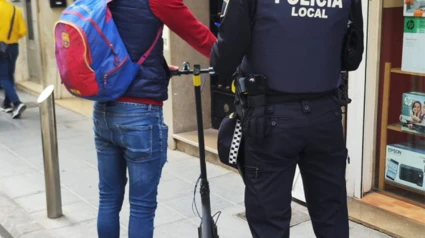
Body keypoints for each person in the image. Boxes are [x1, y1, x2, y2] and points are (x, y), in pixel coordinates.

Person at [211, 0, 364, 237]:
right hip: (326, 115)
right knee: (331, 214)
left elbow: (224, 59)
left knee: (269, 220)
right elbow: (352, 57)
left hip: (269, 117)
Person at [92, 0, 216, 237]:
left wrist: (157, 66)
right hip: (140, 114)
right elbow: (198, 35)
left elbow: (122, 42)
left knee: (107, 199)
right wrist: (234, 57)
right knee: (141, 207)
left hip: (104, 110)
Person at [0, 0, 28, 118]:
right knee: (9, 75)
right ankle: (7, 104)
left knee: (3, 77)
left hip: (1, 47)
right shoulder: (15, 9)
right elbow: (23, 31)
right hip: (13, 47)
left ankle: (17, 103)